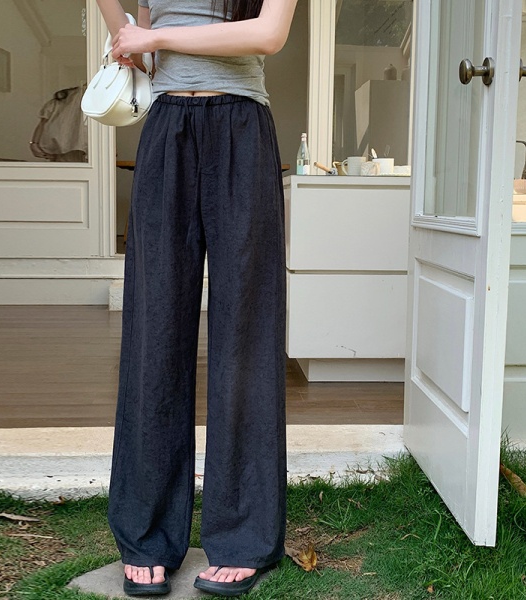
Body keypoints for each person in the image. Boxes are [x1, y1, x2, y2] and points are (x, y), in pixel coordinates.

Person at [95, 0, 298, 596]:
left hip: (241, 128)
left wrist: (153, 38)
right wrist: (129, 33)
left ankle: (243, 535)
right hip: (167, 129)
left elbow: (268, 34)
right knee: (153, 331)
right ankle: (148, 532)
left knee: (246, 333)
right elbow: (135, 42)